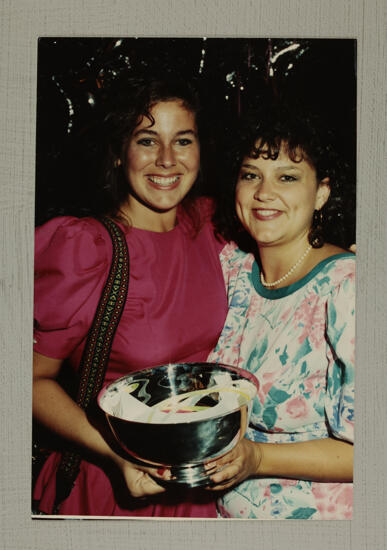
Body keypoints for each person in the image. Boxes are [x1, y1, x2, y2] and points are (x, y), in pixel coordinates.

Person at [32, 76, 228, 517]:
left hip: (200, 489)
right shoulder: (87, 248)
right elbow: (28, 381)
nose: (166, 160)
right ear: (120, 152)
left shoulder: (209, 224)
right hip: (115, 486)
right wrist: (114, 454)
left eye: (183, 140)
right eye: (146, 139)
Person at [207, 105, 355, 519]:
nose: (263, 193)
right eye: (250, 174)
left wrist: (257, 458)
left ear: (321, 193)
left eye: (287, 177)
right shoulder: (230, 267)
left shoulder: (348, 286)